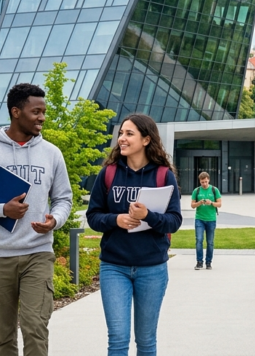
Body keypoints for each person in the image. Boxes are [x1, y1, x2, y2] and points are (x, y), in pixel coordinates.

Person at [0, 83, 73, 356]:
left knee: (35, 328)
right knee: (3, 335)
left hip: (38, 252)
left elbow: (64, 199)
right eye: (36, 112)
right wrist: (1, 210)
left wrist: (54, 220)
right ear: (16, 112)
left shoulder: (52, 153)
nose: (42, 117)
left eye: (44, 112)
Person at [86, 114, 183, 356]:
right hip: (114, 266)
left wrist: (148, 215)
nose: (122, 139)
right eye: (121, 133)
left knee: (146, 341)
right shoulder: (108, 173)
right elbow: (93, 216)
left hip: (152, 268)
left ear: (146, 139)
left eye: (129, 134)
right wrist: (115, 220)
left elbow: (174, 221)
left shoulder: (163, 175)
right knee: (117, 339)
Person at [191, 171, 222, 270]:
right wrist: (199, 203)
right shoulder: (196, 191)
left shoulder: (214, 190)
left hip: (211, 219)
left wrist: (211, 203)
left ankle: (208, 262)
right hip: (199, 219)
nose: (204, 184)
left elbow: (219, 204)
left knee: (210, 242)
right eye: (202, 182)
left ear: (208, 180)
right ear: (199, 181)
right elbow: (192, 205)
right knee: (199, 240)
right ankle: (199, 262)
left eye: (205, 182)